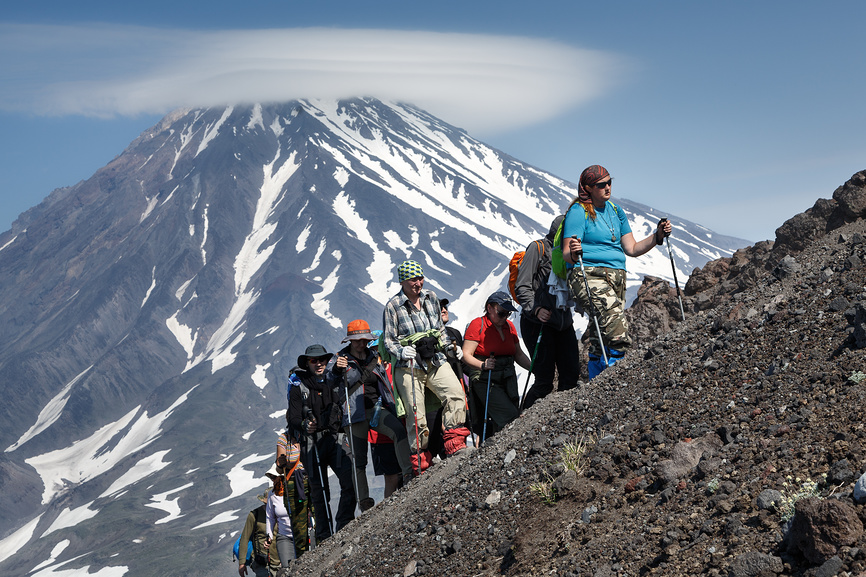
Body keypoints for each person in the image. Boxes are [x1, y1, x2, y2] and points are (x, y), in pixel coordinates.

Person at [561, 165, 672, 378]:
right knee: (616, 328)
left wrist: (657, 236)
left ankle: (596, 381)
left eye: (610, 182)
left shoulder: (615, 211)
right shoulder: (578, 211)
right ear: (588, 188)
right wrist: (574, 251)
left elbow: (631, 248)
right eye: (601, 185)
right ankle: (617, 380)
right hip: (588, 274)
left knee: (599, 334)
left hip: (616, 277)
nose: (607, 187)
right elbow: (567, 252)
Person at [382, 260, 471, 471]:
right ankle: (420, 460)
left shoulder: (431, 298)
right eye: (414, 279)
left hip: (435, 358)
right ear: (403, 280)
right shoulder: (393, 306)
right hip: (409, 365)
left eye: (420, 278)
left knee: (455, 393)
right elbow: (388, 340)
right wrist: (401, 351)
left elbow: (439, 328)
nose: (418, 283)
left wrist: (448, 347)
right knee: (416, 412)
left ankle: (455, 443)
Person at [326, 319, 414, 512]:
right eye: (357, 340)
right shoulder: (339, 359)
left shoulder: (374, 356)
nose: (361, 344)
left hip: (377, 408)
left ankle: (409, 475)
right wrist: (335, 370)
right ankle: (364, 501)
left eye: (364, 340)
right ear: (350, 341)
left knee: (398, 432)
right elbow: (328, 380)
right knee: (359, 459)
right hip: (353, 413)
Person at [287, 344, 356, 542]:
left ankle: (344, 524)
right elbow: (292, 418)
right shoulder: (298, 386)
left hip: (335, 437)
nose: (319, 364)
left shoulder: (332, 379)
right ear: (307, 363)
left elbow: (339, 379)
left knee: (349, 481)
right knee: (319, 491)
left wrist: (338, 369)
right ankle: (325, 536)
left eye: (322, 360)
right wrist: (303, 424)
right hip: (311, 443)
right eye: (314, 360)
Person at [513, 215, 581, 409]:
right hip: (538, 323)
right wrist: (536, 309)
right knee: (544, 381)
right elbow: (522, 285)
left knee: (570, 377)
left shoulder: (572, 253)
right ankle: (522, 423)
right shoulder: (538, 248)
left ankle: (561, 419)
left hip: (563, 322)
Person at [462, 291, 533, 440]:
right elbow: (466, 354)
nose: (505, 317)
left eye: (507, 314)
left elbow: (518, 354)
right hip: (485, 378)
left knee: (512, 412)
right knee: (508, 415)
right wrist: (483, 364)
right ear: (490, 308)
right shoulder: (478, 325)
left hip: (508, 376)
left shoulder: (509, 326)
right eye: (501, 313)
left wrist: (534, 368)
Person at [275, 422, 310, 557]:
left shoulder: (308, 434)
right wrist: (281, 462)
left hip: (311, 479)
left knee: (318, 517)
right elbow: (279, 468)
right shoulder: (284, 439)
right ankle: (303, 557)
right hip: (294, 483)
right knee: (299, 526)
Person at [236, 497, 280, 577]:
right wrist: (242, 563)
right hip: (261, 561)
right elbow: (244, 538)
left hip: (279, 560)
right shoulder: (254, 515)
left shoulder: (282, 514)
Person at [264, 465, 294, 571]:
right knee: (287, 568)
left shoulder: (296, 489)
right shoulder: (272, 495)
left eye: (274, 476)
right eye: (271, 477)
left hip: (302, 535)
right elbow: (270, 517)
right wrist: (269, 535)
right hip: (284, 537)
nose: (272, 480)